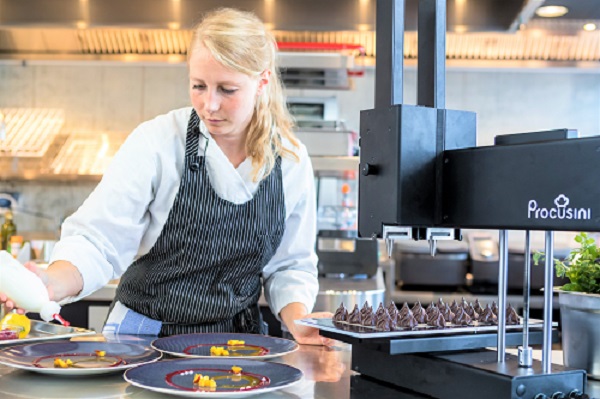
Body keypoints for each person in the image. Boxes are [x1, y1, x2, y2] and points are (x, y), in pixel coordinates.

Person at [0, 7, 330, 345]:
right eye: (198, 86)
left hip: (236, 343)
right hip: (143, 338)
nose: (209, 105)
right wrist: (49, 283)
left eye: (227, 90)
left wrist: (299, 320)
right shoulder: (158, 141)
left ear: (262, 81)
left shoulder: (289, 160)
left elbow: (290, 266)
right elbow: (98, 241)